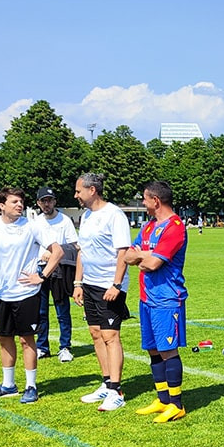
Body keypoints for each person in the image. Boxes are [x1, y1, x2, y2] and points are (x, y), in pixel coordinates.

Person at [0, 187, 63, 404]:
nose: (19, 205)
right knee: (4, 338)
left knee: (26, 339)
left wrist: (41, 276)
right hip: (2, 293)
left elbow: (57, 251)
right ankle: (8, 385)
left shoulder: (32, 226)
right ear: (2, 205)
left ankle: (31, 386)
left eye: (21, 201)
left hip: (26, 292)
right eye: (14, 202)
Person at [118, 180, 189, 422]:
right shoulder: (148, 227)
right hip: (146, 298)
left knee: (168, 350)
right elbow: (128, 256)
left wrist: (144, 256)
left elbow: (152, 264)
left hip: (167, 298)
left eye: (145, 198)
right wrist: (143, 255)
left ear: (155, 201)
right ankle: (163, 399)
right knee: (153, 349)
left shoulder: (175, 227)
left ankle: (176, 404)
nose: (142, 202)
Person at [72, 172, 132, 412]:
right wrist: (78, 283)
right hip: (89, 284)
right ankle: (107, 384)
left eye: (78, 191)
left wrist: (116, 284)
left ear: (92, 190)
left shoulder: (114, 215)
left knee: (110, 336)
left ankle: (117, 391)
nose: (75, 195)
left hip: (109, 286)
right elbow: (82, 251)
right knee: (96, 334)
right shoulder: (86, 216)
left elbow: (123, 252)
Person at [31, 187, 78, 363]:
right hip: (40, 270)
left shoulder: (64, 221)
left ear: (55, 202)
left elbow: (75, 245)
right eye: (43, 201)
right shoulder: (35, 222)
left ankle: (65, 347)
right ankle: (42, 347)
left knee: (62, 310)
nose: (47, 204)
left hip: (60, 271)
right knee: (41, 311)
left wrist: (53, 254)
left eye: (49, 200)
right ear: (38, 203)